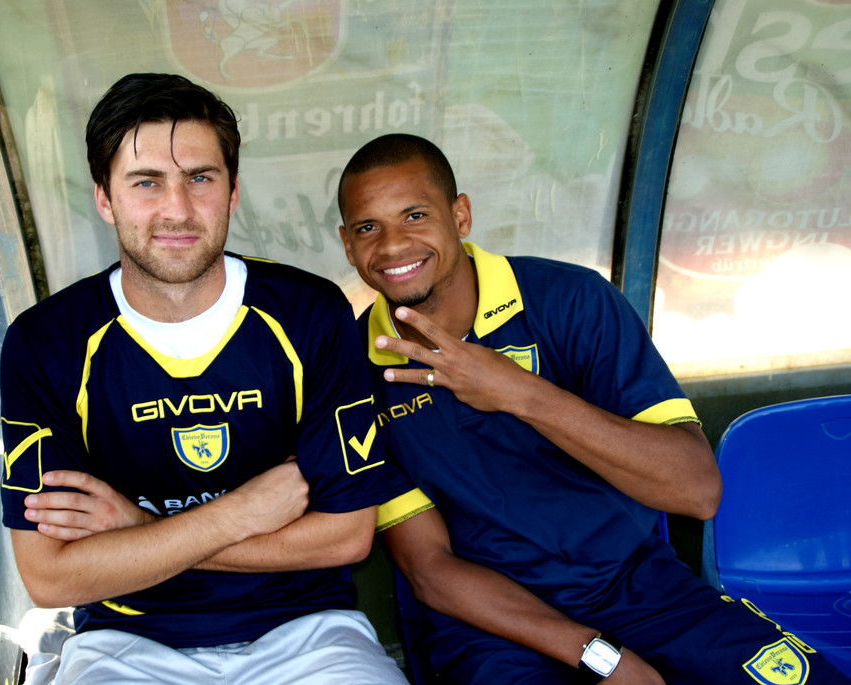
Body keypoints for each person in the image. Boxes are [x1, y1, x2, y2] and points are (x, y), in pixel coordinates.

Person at [333, 132, 851, 684]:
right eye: (368, 228)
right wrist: (603, 656)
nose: (392, 245)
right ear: (346, 244)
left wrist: (519, 392)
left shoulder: (571, 300)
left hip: (642, 589)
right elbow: (431, 570)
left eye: (415, 216)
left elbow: (696, 491)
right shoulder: (352, 373)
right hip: (495, 628)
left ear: (460, 216)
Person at [0, 73, 407, 684]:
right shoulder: (45, 342)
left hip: (307, 632)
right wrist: (238, 513)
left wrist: (140, 531)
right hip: (125, 642)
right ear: (104, 198)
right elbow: (51, 576)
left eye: (200, 178)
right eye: (146, 182)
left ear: (233, 192)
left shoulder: (310, 314)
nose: (178, 209)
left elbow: (345, 537)